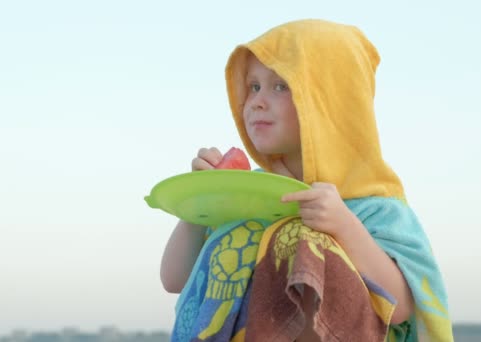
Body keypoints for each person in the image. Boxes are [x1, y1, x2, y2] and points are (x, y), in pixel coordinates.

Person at [160, 19, 453, 341]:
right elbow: (175, 280)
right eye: (253, 86)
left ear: (332, 104)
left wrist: (344, 226)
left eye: (281, 86)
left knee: (305, 240)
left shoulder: (374, 205)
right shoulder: (242, 192)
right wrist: (199, 204)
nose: (256, 100)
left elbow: (402, 307)